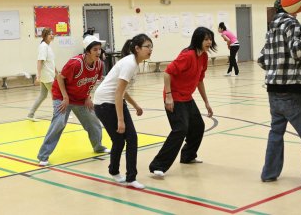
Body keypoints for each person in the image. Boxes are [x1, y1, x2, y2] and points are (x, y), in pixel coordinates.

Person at [257, 0, 301, 188]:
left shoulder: (272, 26)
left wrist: (278, 68)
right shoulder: (292, 23)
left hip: (273, 90)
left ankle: (269, 173)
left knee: (276, 133)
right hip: (293, 90)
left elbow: (262, 60)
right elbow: (297, 51)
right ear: (294, 7)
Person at [149, 27, 216, 177]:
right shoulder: (188, 55)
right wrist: (168, 96)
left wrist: (206, 102)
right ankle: (157, 166)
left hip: (187, 97)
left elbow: (199, 81)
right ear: (198, 39)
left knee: (198, 126)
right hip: (174, 97)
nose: (209, 42)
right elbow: (167, 73)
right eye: (206, 39)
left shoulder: (203, 57)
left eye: (210, 39)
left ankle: (188, 156)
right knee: (180, 129)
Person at [37, 35, 109, 166]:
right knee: (58, 123)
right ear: (87, 51)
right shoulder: (75, 63)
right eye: (95, 49)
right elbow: (60, 78)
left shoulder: (100, 65)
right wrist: (65, 97)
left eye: (99, 49)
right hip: (62, 96)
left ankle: (98, 147)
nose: (99, 52)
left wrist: (87, 97)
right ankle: (43, 155)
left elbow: (92, 82)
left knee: (93, 122)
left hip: (80, 98)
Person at [93, 34, 153, 189]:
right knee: (126, 138)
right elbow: (118, 93)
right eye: (147, 46)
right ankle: (130, 177)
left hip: (114, 101)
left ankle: (115, 171)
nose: (150, 49)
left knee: (125, 139)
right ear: (137, 48)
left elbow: (122, 91)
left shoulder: (134, 63)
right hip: (104, 104)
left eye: (151, 46)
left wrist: (136, 105)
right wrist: (120, 120)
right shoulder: (130, 64)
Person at [27, 28, 58, 121]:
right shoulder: (43, 46)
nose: (51, 35)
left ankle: (30, 114)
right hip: (47, 76)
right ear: (44, 36)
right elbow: (40, 61)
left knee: (43, 95)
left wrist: (57, 73)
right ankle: (57, 115)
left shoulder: (48, 46)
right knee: (56, 95)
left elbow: (51, 62)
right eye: (49, 34)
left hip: (49, 75)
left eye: (52, 34)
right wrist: (38, 76)